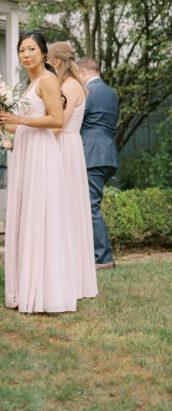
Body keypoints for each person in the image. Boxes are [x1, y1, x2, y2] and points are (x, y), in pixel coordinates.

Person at [0, 30, 77, 314]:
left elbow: (57, 120)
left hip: (43, 154)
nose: (25, 54)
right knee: (28, 214)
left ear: (44, 53)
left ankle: (48, 292)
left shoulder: (48, 80)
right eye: (21, 50)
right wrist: (11, 126)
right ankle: (26, 287)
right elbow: (31, 122)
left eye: (31, 49)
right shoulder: (29, 84)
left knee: (42, 215)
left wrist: (20, 119)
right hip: (27, 152)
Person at [48, 42, 98, 299]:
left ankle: (68, 274)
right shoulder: (74, 85)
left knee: (64, 208)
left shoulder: (68, 87)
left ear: (56, 62)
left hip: (64, 146)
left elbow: (60, 123)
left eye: (48, 59)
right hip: (71, 144)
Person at [77, 58, 119, 269]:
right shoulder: (111, 93)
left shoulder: (89, 93)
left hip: (92, 154)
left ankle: (102, 258)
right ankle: (93, 254)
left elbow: (76, 119)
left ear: (83, 71)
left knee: (90, 205)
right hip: (107, 153)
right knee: (90, 204)